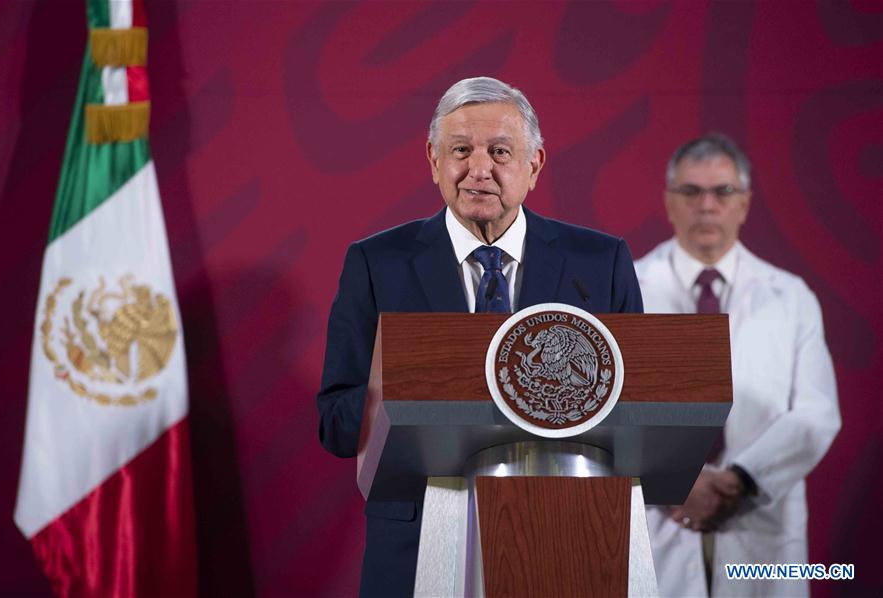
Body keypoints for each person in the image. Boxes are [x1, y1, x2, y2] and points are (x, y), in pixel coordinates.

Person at [316, 76, 643, 596]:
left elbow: (639, 410)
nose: (479, 170)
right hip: (419, 544)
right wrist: (416, 394)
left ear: (534, 165)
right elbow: (335, 423)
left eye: (500, 151)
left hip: (564, 537)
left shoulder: (598, 264)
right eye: (461, 150)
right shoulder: (377, 264)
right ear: (433, 161)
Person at [637, 133, 841, 597]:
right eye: (691, 192)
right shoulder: (627, 289)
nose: (706, 205)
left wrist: (740, 480)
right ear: (670, 202)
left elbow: (815, 414)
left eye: (722, 192)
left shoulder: (790, 296)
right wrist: (675, 483)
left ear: (744, 203)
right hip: (657, 516)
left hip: (759, 516)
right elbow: (607, 414)